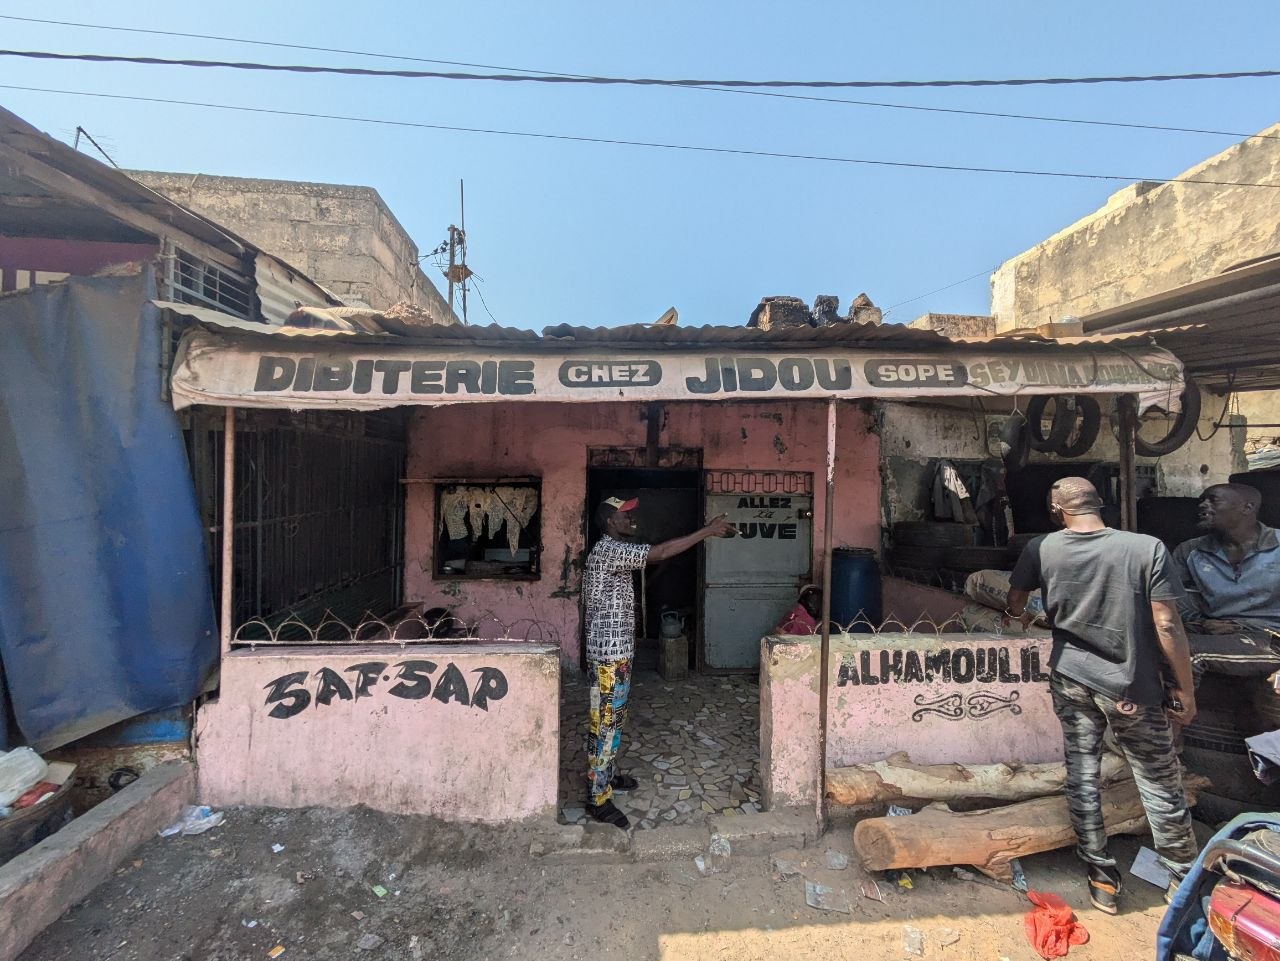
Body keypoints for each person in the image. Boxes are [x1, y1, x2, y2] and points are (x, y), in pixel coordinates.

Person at [1006, 477, 1198, 915]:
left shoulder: (1041, 548)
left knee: (1082, 771)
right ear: (1100, 504)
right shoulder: (1146, 548)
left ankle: (1101, 877)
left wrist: (1018, 613)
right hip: (1132, 684)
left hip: (1070, 677)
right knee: (1158, 779)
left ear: (1057, 510)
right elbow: (1167, 624)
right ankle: (1182, 878)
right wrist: (1184, 687)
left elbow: (1016, 600)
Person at [582, 496, 735, 829]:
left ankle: (605, 774)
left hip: (614, 654)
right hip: (609, 658)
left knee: (611, 720)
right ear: (610, 522)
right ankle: (598, 798)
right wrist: (706, 531)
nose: (632, 518)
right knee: (606, 723)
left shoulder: (613, 549)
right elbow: (661, 552)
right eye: (625, 515)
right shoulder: (609, 550)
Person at [1172, 484, 1280, 681]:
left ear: (1247, 507)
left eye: (1213, 500)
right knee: (1150, 643)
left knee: (1186, 651)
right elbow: (1173, 602)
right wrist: (1203, 623)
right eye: (1202, 500)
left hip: (1270, 637)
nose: (1202, 505)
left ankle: (1183, 702)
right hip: (1215, 633)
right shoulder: (1190, 551)